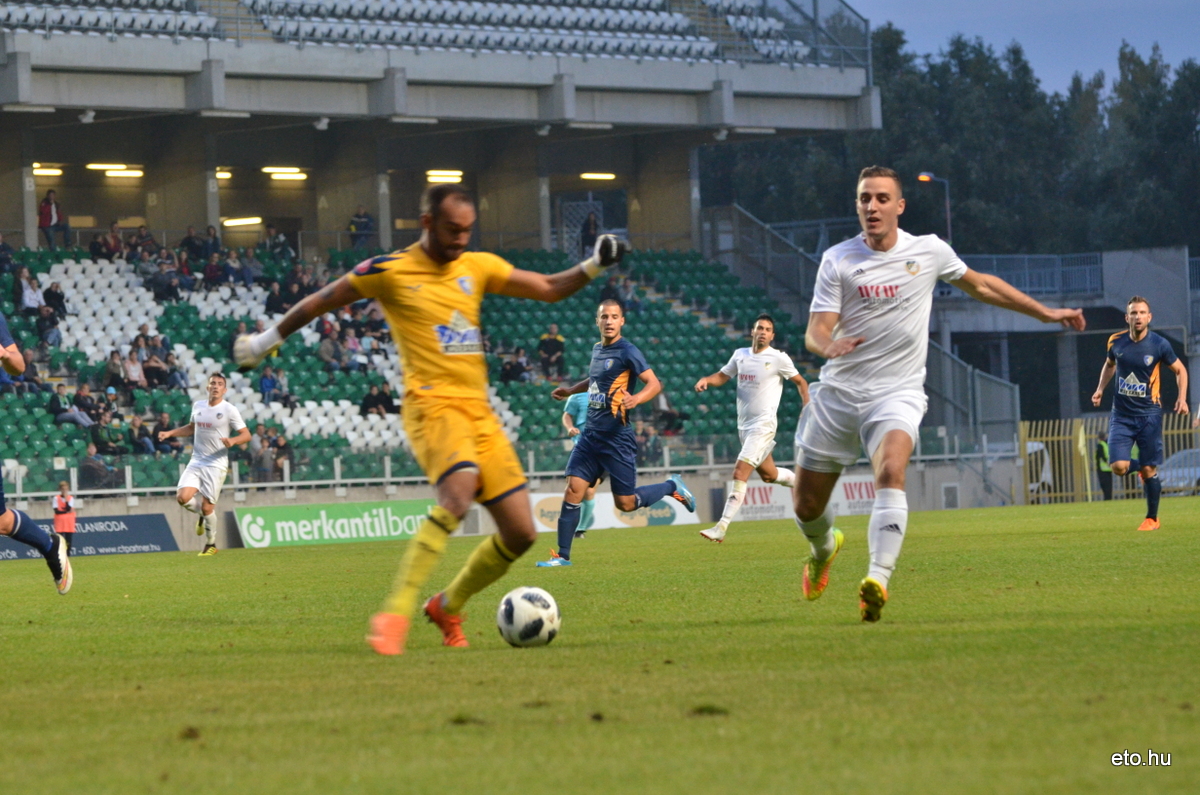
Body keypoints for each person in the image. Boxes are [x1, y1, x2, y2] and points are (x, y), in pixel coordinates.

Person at [233, 182, 629, 655]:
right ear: (426, 223)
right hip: (431, 407)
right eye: (452, 229)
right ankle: (395, 611)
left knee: (521, 532)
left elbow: (546, 288)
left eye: (467, 230)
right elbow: (324, 300)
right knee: (459, 492)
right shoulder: (391, 270)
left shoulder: (476, 266)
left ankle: (448, 605)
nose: (461, 238)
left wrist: (594, 264)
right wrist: (262, 343)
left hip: (479, 413)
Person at [794, 165, 1085, 623]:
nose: (872, 206)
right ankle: (824, 548)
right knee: (807, 506)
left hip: (896, 393)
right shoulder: (838, 260)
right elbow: (816, 330)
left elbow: (983, 285)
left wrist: (1046, 313)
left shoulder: (927, 250)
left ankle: (877, 580)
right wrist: (827, 345)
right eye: (864, 198)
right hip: (839, 394)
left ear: (899, 206)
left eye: (881, 198)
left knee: (891, 470)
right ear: (857, 205)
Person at [539, 298, 696, 568]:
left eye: (614, 316)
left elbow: (654, 383)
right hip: (591, 437)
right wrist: (569, 390)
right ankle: (562, 556)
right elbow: (595, 381)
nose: (609, 321)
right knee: (573, 489)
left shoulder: (628, 351)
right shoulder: (597, 349)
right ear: (597, 321)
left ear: (622, 321)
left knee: (625, 504)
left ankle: (672, 486)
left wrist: (636, 400)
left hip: (616, 438)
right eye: (604, 317)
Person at [694, 313, 810, 542]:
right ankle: (802, 483)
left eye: (767, 329)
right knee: (769, 475)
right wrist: (707, 379)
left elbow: (801, 382)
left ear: (772, 335)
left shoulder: (779, 358)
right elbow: (722, 375)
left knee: (739, 473)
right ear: (752, 332)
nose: (763, 332)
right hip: (744, 427)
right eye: (760, 328)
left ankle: (721, 527)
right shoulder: (740, 355)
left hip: (763, 426)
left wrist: (807, 405)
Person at [1090, 296, 1188, 531]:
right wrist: (1100, 389)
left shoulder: (1159, 345)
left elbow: (1180, 370)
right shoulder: (1116, 341)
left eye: (1142, 313)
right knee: (1119, 467)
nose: (1138, 317)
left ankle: (1152, 518)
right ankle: (1144, 469)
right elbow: (1109, 364)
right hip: (1121, 415)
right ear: (1127, 317)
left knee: (1148, 469)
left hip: (1149, 415)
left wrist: (1182, 397)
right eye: (1133, 313)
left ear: (1149, 317)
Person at [157, 373, 250, 556]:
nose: (215, 386)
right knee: (182, 498)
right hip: (197, 460)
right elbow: (191, 428)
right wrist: (170, 433)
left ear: (225, 390)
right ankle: (202, 515)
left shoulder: (229, 409)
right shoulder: (198, 406)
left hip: (216, 464)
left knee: (208, 507)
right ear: (207, 387)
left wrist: (233, 441)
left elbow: (246, 435)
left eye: (220, 384)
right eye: (213, 383)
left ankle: (211, 544)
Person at [561, 389, 598, 537]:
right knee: (573, 489)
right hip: (582, 447)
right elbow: (567, 415)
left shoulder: (609, 395)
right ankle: (567, 527)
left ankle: (580, 529)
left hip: (602, 450)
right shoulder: (577, 397)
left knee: (589, 491)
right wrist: (570, 428)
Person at [52, 481, 76, 556]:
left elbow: (68, 508)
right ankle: (60, 555)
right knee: (59, 540)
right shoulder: (56, 498)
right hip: (60, 522)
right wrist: (66, 512)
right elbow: (56, 511)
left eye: (66, 489)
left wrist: (66, 500)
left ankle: (68, 555)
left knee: (68, 540)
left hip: (69, 522)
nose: (64, 491)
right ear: (60, 489)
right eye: (63, 489)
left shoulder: (70, 498)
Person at [1095, 428, 1113, 501]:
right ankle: (1109, 498)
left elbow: (1101, 456)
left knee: (1104, 485)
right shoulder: (1108, 444)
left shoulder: (1100, 445)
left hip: (1102, 469)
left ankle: (1107, 499)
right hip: (1109, 468)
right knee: (1109, 485)